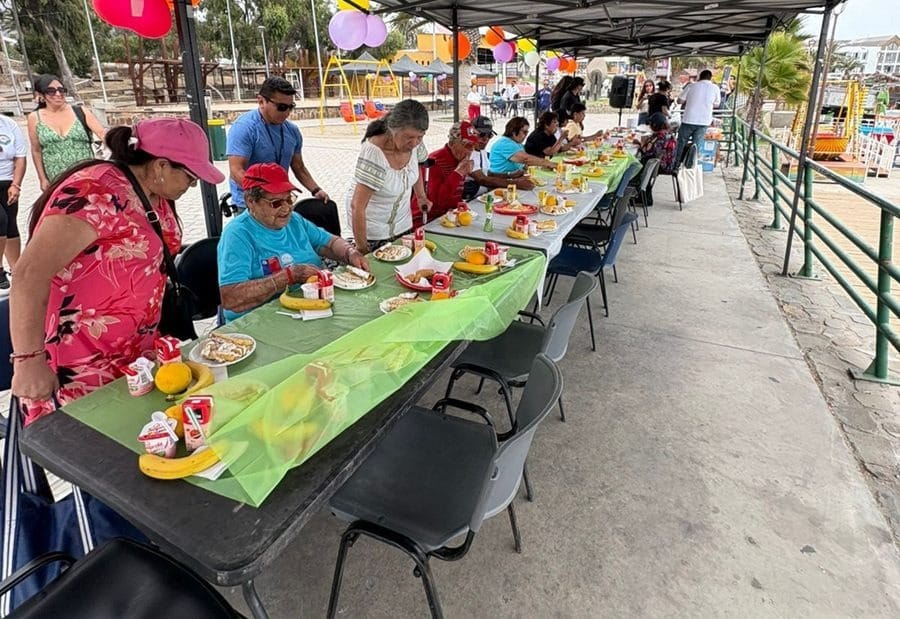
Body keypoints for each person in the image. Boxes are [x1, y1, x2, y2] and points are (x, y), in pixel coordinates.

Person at [9, 118, 224, 424]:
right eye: (190, 178)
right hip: (81, 358)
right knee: (93, 440)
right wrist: (28, 361)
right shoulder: (93, 193)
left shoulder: (154, 191)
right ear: (161, 166)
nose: (191, 187)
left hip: (134, 353)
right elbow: (29, 274)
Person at [218, 163, 368, 322]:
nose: (286, 208)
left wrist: (350, 253)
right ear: (250, 201)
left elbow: (328, 243)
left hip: (309, 307)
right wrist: (289, 276)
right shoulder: (237, 235)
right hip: (259, 321)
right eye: (276, 203)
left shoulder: (294, 220)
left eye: (289, 199)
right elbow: (232, 298)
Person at [227, 76, 329, 210]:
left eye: (291, 107)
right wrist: (265, 194)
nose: (287, 112)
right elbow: (236, 170)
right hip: (250, 205)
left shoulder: (292, 131)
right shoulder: (244, 128)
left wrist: (316, 190)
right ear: (261, 101)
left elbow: (299, 167)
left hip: (281, 202)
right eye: (281, 107)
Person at [346, 99, 431, 254]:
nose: (414, 143)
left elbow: (416, 166)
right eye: (408, 137)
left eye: (420, 137)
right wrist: (362, 249)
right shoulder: (374, 153)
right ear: (393, 130)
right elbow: (357, 206)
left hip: (403, 224)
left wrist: (421, 197)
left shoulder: (415, 144)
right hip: (372, 231)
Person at [27, 74, 106, 191]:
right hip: (56, 179)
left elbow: (102, 133)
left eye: (61, 90)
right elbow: (36, 150)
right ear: (41, 95)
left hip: (86, 175)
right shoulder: (35, 118)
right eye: (51, 91)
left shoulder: (81, 112)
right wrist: (42, 178)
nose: (58, 94)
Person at [461, 116, 535, 201]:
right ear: (472, 133)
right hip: (470, 200)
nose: (486, 139)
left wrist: (510, 175)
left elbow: (489, 174)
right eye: (482, 134)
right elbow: (482, 179)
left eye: (489, 135)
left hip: (485, 196)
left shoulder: (482, 150)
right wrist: (516, 183)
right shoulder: (469, 152)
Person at [415, 121, 477, 221]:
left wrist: (460, 205)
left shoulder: (459, 160)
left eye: (474, 145)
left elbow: (454, 197)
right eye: (468, 145)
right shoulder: (434, 161)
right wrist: (458, 173)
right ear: (452, 143)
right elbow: (436, 203)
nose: (471, 150)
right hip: (427, 220)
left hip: (448, 217)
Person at [0, 114, 27, 292]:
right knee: (0, 221)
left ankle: (16, 269)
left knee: (10, 224)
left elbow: (20, 157)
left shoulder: (8, 124)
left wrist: (16, 184)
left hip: (7, 182)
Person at [675, 69, 720, 165]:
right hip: (704, 121)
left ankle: (676, 164)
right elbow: (717, 104)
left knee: (681, 143)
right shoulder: (715, 88)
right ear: (710, 78)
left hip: (688, 119)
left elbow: (679, 101)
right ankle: (690, 167)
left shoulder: (691, 86)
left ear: (700, 77)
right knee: (696, 146)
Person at [488, 117, 558, 177]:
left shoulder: (517, 143)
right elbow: (526, 159)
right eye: (524, 132)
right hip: (500, 180)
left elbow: (524, 165)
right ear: (513, 132)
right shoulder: (505, 144)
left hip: (513, 177)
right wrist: (548, 163)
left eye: (527, 132)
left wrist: (541, 165)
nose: (526, 135)